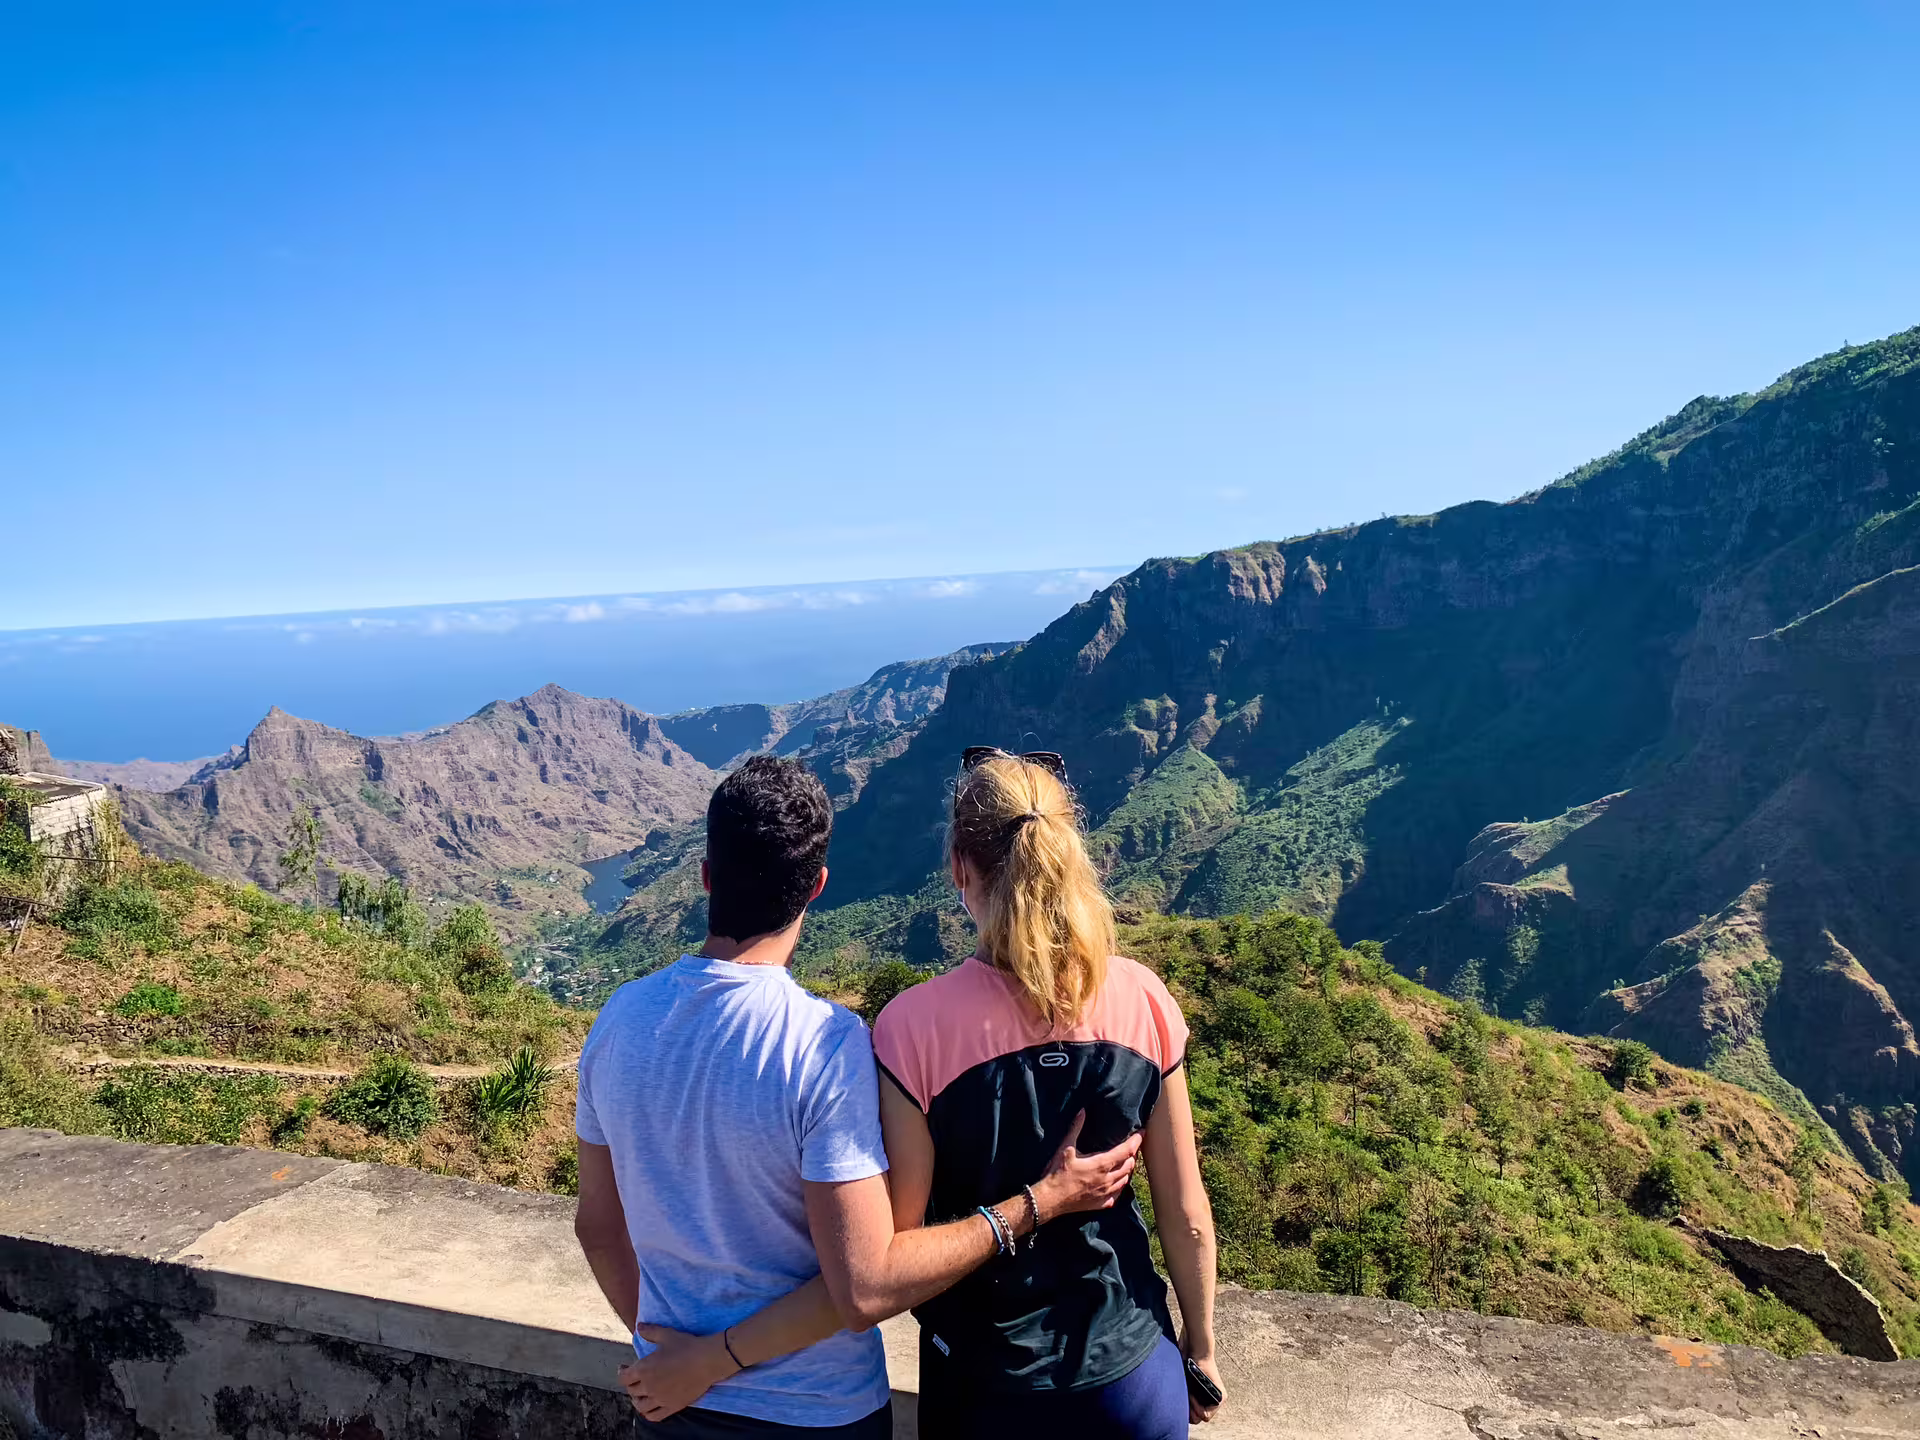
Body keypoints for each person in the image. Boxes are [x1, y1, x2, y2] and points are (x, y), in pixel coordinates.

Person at [573, 754, 1144, 1438]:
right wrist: (1039, 1202)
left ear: (704, 877)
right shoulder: (822, 1043)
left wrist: (676, 1356)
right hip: (816, 1411)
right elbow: (866, 1286)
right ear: (817, 886)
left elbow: (598, 1229)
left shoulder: (619, 1019)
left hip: (672, 1405)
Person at [869, 747, 1222, 1438]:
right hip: (1134, 1378)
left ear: (960, 870)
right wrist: (1200, 1349)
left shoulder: (912, 1029)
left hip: (984, 1385)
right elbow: (1186, 1213)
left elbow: (896, 1254)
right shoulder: (1143, 998)